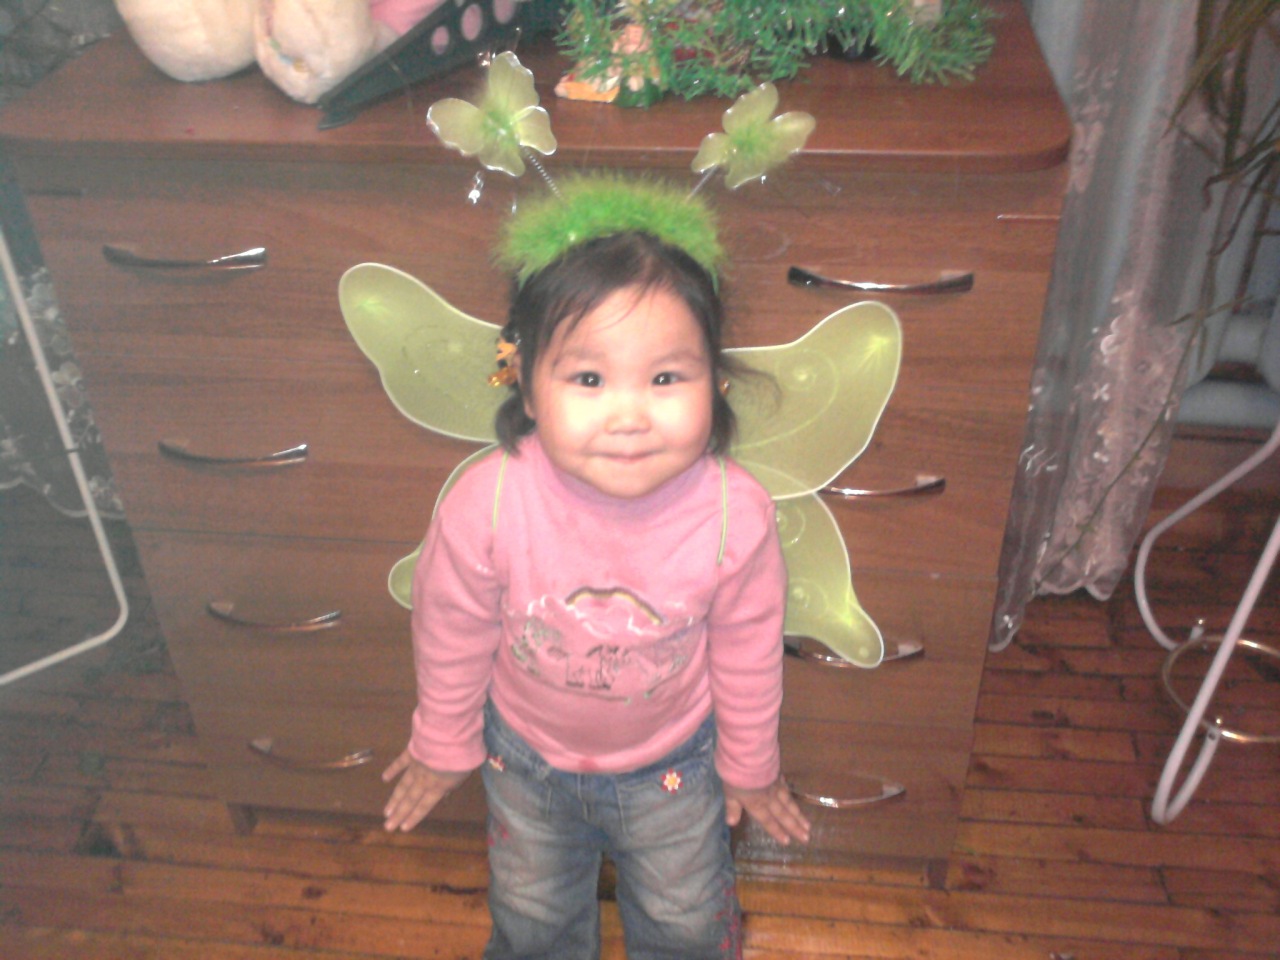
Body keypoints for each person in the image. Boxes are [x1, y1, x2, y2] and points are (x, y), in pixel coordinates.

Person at [381, 186, 810, 959]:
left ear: (714, 379)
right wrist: (443, 740)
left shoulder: (733, 515)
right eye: (588, 379)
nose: (629, 416)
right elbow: (450, 631)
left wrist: (751, 767)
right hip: (523, 765)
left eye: (666, 379)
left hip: (675, 771)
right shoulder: (487, 502)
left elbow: (749, 653)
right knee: (532, 921)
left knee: (687, 927)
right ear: (525, 382)